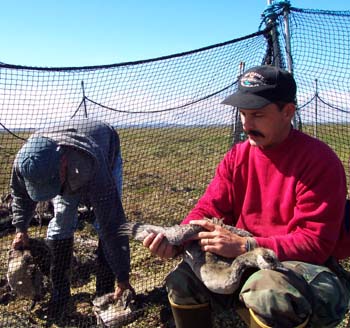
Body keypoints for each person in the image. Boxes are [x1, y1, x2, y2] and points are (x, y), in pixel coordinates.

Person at [142, 65, 350, 328]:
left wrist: (247, 246)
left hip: (307, 269)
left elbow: (315, 244)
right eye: (242, 114)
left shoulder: (319, 162)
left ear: (288, 112)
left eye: (257, 114)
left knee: (267, 291)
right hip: (245, 259)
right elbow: (208, 210)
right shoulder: (238, 157)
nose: (246, 124)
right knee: (182, 279)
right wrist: (176, 239)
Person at [10, 118, 134, 318]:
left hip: (104, 153)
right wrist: (20, 228)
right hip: (67, 165)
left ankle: (105, 291)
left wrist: (123, 276)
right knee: (61, 221)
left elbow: (112, 223)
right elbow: (20, 195)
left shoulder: (90, 163)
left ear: (63, 164)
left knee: (102, 225)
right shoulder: (26, 162)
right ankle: (59, 293)